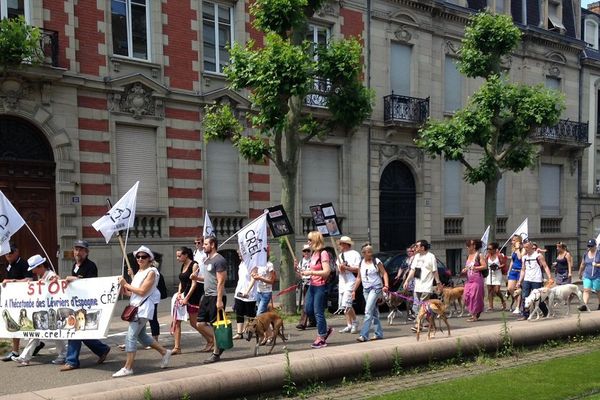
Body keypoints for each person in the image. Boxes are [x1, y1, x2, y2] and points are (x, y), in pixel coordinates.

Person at [114, 246, 171, 377]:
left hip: (142, 309)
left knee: (130, 337)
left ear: (150, 259)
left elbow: (142, 291)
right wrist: (124, 289)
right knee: (141, 336)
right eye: (138, 257)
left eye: (143, 257)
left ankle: (128, 367)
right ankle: (164, 352)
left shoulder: (152, 272)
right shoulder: (139, 272)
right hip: (136, 307)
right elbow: (134, 293)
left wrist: (126, 284)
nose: (140, 259)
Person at [60, 240, 111, 371]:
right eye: (76, 249)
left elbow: (91, 284)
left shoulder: (91, 266)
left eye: (81, 250)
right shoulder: (74, 266)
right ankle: (102, 349)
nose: (78, 252)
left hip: (87, 303)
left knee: (74, 331)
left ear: (86, 252)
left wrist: (74, 279)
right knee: (80, 332)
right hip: (76, 303)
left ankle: (71, 361)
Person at [11, 255, 66, 366]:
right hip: (43, 311)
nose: (33, 271)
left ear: (40, 266)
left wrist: (55, 280)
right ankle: (25, 357)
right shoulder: (41, 276)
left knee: (55, 332)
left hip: (52, 310)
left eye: (34, 269)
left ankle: (63, 354)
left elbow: (58, 281)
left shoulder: (50, 275)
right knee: (36, 332)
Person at [197, 236, 228, 364]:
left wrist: (219, 300)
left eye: (205, 244)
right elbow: (210, 279)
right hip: (207, 296)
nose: (203, 246)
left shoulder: (219, 260)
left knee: (216, 326)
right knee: (200, 324)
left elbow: (220, 282)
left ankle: (216, 353)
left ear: (213, 245)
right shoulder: (207, 260)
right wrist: (197, 278)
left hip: (216, 296)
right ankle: (220, 342)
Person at [300, 231, 333, 349]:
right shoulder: (313, 254)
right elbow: (311, 270)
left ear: (315, 240)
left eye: (310, 239)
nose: (308, 242)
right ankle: (325, 329)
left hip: (320, 286)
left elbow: (326, 272)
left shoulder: (323, 253)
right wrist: (302, 271)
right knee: (308, 309)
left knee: (318, 311)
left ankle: (321, 337)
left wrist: (310, 272)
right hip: (312, 285)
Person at [2, 244, 34, 362]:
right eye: (6, 253)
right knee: (13, 324)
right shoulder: (9, 265)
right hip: (14, 301)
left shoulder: (23, 264)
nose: (8, 255)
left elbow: (29, 279)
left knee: (28, 324)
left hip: (26, 301)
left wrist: (13, 281)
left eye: (10, 253)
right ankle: (15, 351)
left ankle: (36, 343)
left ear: (17, 252)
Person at [403, 239, 442, 331]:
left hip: (426, 286)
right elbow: (412, 270)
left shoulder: (431, 257)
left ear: (422, 247)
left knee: (422, 306)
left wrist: (438, 282)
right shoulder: (416, 257)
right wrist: (407, 281)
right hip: (417, 286)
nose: (415, 248)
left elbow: (434, 271)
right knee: (416, 306)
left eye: (417, 246)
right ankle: (430, 322)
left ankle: (418, 325)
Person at [353, 244, 389, 342]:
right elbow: (359, 278)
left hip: (376, 288)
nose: (371, 253)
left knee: (368, 311)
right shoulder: (361, 263)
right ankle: (379, 334)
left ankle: (364, 335)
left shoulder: (376, 261)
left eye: (371, 251)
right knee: (373, 313)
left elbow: (384, 273)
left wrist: (386, 285)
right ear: (363, 253)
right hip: (366, 290)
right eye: (368, 252)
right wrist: (353, 290)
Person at [171, 246, 203, 355]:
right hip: (182, 296)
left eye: (179, 256)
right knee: (177, 321)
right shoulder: (183, 265)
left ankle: (211, 339)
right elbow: (182, 281)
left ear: (186, 255)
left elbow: (194, 284)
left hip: (192, 297)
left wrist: (186, 298)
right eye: (177, 256)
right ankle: (177, 347)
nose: (177, 258)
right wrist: (179, 292)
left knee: (194, 323)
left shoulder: (194, 265)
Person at [516, 240, 552, 321]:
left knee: (538, 298)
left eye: (527, 247)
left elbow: (545, 266)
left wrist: (550, 277)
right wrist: (519, 281)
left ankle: (545, 311)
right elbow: (523, 269)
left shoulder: (538, 256)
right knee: (525, 297)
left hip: (537, 279)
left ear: (531, 247)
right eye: (524, 247)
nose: (526, 249)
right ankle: (525, 315)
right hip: (527, 279)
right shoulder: (524, 258)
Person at [336, 236, 361, 334]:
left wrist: (346, 267)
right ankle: (349, 324)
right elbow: (339, 270)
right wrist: (341, 268)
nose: (339, 246)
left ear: (346, 244)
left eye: (341, 243)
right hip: (342, 281)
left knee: (347, 303)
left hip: (351, 280)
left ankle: (355, 322)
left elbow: (358, 269)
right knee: (343, 305)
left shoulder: (355, 254)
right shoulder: (339, 256)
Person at [232, 253, 257, 339]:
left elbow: (254, 279)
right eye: (238, 254)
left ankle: (251, 331)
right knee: (239, 313)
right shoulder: (241, 264)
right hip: (239, 292)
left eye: (241, 254)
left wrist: (247, 291)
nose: (239, 256)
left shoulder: (252, 263)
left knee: (250, 314)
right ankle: (239, 333)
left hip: (249, 294)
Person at [461, 239, 486, 322]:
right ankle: (475, 312)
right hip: (469, 279)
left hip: (477, 279)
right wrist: (465, 269)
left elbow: (484, 266)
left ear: (474, 246)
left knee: (474, 297)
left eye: (469, 245)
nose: (467, 247)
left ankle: (474, 315)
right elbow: (467, 267)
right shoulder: (468, 256)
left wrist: (475, 268)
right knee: (466, 296)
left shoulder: (479, 255)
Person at [296, 244, 316, 330]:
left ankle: (303, 323)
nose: (307, 252)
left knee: (307, 303)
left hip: (313, 283)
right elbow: (299, 274)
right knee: (308, 303)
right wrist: (297, 271)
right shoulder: (301, 262)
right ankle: (312, 321)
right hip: (305, 284)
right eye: (305, 251)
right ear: (302, 252)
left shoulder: (313, 260)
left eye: (308, 250)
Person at [577, 239, 600, 311]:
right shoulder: (585, 254)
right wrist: (580, 273)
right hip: (587, 275)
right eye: (588, 246)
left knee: (597, 290)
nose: (589, 247)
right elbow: (583, 264)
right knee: (586, 290)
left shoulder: (599, 253)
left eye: (591, 246)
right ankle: (585, 305)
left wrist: (597, 264)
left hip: (597, 275)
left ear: (595, 246)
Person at [253, 248, 276, 315]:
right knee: (263, 313)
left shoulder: (269, 265)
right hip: (258, 292)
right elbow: (255, 275)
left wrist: (260, 278)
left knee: (259, 313)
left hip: (266, 292)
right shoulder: (258, 265)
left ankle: (261, 325)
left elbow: (271, 281)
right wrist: (254, 275)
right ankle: (267, 325)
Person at [485, 242, 506, 312]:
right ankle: (491, 306)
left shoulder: (499, 255)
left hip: (497, 273)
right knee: (490, 290)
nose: (488, 250)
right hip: (490, 273)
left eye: (490, 249)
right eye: (487, 249)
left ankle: (502, 300)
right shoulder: (487, 256)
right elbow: (485, 264)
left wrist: (497, 267)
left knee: (497, 290)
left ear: (494, 249)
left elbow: (503, 264)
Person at [507, 235, 525, 314]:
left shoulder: (522, 249)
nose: (512, 242)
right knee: (510, 288)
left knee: (518, 289)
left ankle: (518, 307)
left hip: (520, 271)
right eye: (512, 240)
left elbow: (520, 258)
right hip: (513, 271)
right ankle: (517, 300)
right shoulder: (513, 249)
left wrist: (518, 249)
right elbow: (512, 261)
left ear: (518, 241)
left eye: (514, 240)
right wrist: (509, 270)